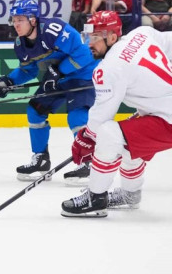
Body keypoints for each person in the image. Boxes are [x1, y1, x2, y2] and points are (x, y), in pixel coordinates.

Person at [60, 12, 172, 217]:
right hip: (161, 113)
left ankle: (95, 198)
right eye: (88, 37)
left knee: (107, 134)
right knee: (128, 143)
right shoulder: (142, 34)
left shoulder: (109, 67)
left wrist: (85, 139)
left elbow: (102, 116)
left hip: (167, 119)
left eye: (95, 38)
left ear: (112, 37)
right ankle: (130, 195)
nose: (88, 44)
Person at [0, 0, 98, 183]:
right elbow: (28, 70)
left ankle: (88, 162)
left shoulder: (54, 29)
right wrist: (8, 81)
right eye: (14, 20)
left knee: (76, 116)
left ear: (32, 20)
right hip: (58, 77)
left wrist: (59, 70)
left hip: (83, 74)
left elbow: (86, 52)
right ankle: (41, 159)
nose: (16, 24)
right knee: (35, 110)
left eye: (20, 20)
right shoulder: (20, 44)